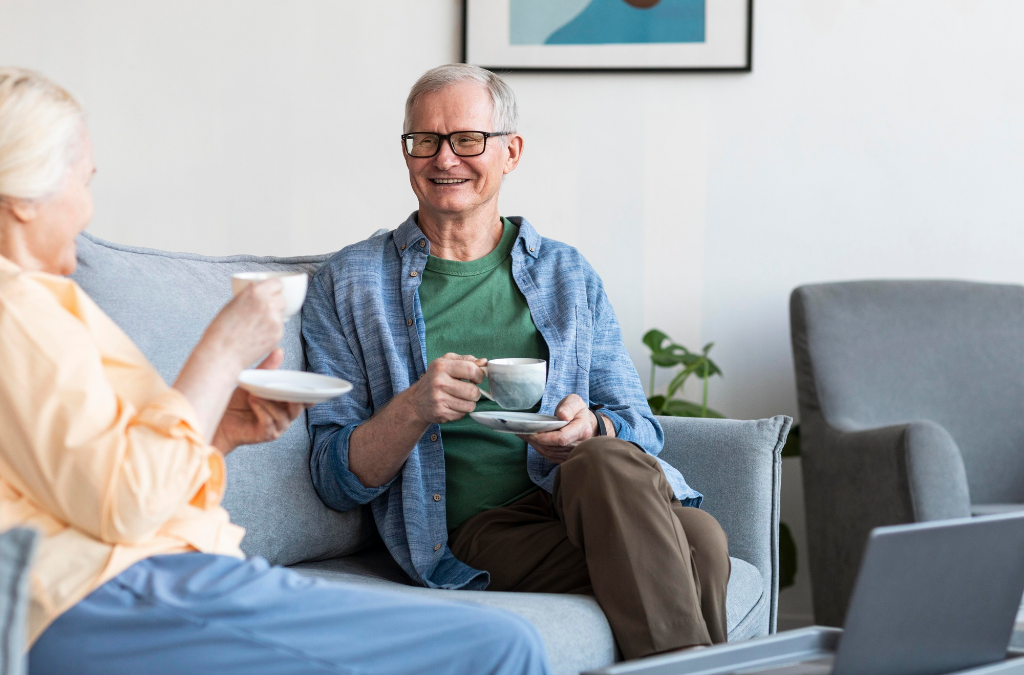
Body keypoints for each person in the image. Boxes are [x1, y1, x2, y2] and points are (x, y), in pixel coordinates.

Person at [0, 67, 549, 675]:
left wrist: (223, 430)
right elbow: (125, 505)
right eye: (81, 182)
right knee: (502, 647)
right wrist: (221, 349)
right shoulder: (14, 311)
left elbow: (106, 478)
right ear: (24, 199)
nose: (87, 209)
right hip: (107, 588)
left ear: (510, 152)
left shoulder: (49, 304)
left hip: (157, 569)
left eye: (466, 139)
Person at [303, 63, 730, 661]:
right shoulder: (350, 285)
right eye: (424, 140)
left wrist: (592, 428)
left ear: (511, 152)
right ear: (407, 153)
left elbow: (641, 425)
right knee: (701, 543)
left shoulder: (565, 275)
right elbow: (333, 477)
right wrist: (414, 408)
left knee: (605, 462)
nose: (444, 158)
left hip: (577, 499)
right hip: (476, 533)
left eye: (467, 140)